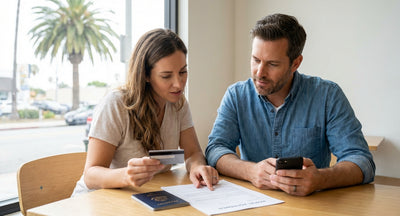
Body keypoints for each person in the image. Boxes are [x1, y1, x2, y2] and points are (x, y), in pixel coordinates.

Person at [205, 13, 375, 196]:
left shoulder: (327, 96)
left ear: (295, 63)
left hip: (312, 208)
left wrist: (320, 178)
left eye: (272, 64)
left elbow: (361, 161)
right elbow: (216, 149)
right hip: (253, 207)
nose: (259, 73)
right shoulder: (236, 95)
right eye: (256, 60)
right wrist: (251, 171)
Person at [72, 28, 218, 195]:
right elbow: (91, 175)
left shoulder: (178, 104)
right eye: (166, 76)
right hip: (96, 199)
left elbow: (193, 153)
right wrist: (126, 175)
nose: (178, 84)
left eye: (183, 72)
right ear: (146, 75)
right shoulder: (116, 104)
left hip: (142, 197)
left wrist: (197, 166)